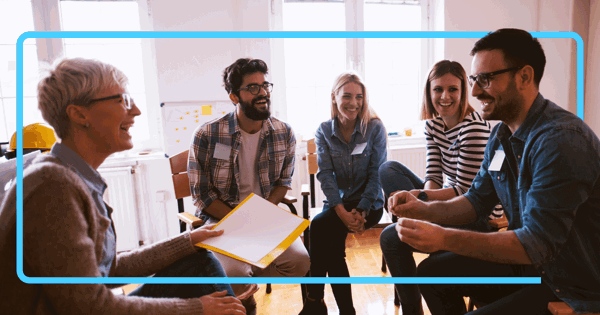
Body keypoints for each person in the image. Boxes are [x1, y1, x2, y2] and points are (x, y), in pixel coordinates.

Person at [0, 58, 246, 315]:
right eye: (122, 100)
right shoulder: (53, 187)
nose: (137, 110)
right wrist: (197, 308)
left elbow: (108, 270)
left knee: (197, 259)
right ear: (79, 114)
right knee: (207, 291)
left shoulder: (71, 175)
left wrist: (188, 240)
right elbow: (87, 305)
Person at [387, 28, 600, 315]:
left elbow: (537, 244)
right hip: (529, 265)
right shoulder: (501, 135)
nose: (474, 92)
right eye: (474, 80)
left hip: (569, 285)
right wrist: (420, 208)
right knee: (431, 274)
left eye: (485, 79)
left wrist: (443, 237)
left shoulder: (561, 141)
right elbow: (475, 201)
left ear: (524, 77)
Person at [379, 60, 501, 315]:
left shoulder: (474, 128)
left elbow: (466, 193)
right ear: (429, 92)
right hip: (449, 198)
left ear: (462, 91)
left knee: (391, 236)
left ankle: (414, 222)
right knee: (388, 169)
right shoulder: (433, 125)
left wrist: (420, 199)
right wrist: (422, 203)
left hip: (474, 213)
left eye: (452, 89)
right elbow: (433, 174)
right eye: (438, 90)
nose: (445, 97)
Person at [188, 58, 310, 312]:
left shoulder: (283, 132)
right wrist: (240, 222)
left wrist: (261, 216)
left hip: (265, 217)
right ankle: (245, 297)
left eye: (265, 85)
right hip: (222, 220)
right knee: (234, 275)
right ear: (234, 96)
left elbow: (283, 182)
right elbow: (202, 195)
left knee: (300, 263)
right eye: (253, 87)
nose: (263, 93)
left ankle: (245, 285)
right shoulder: (207, 135)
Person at [298, 71, 387, 315]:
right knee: (331, 245)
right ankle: (345, 310)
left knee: (320, 228)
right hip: (338, 204)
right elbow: (325, 174)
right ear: (334, 97)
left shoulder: (374, 128)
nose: (354, 102)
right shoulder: (324, 130)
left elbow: (376, 174)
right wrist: (340, 210)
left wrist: (360, 210)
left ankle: (314, 302)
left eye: (359, 97)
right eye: (347, 96)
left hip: (369, 205)